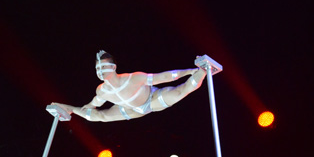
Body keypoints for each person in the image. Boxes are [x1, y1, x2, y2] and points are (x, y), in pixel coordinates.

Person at [52, 50, 207, 122]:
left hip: (151, 100)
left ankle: (202, 70)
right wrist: (85, 108)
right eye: (97, 69)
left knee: (180, 92)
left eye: (103, 67)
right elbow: (95, 103)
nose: (100, 72)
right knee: (100, 117)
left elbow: (164, 77)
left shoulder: (133, 78)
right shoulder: (102, 90)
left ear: (113, 67)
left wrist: (189, 71)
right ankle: (69, 108)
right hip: (129, 110)